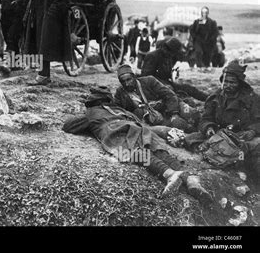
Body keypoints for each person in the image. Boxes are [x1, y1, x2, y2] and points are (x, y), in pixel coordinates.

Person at [63, 86, 211, 201]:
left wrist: (83, 116)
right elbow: (139, 122)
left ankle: (170, 175)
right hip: (141, 130)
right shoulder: (120, 109)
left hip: (117, 133)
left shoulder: (90, 113)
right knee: (159, 151)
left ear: (91, 102)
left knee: (134, 154)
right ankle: (190, 179)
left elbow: (68, 126)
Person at [184, 60, 260, 179]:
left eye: (232, 82)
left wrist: (252, 131)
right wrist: (209, 127)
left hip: (242, 137)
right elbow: (205, 118)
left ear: (239, 83)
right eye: (225, 81)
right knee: (191, 140)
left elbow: (258, 121)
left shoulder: (251, 99)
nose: (228, 85)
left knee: (252, 153)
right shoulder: (215, 98)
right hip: (220, 136)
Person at [23, 0, 71, 85]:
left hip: (51, 19)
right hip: (38, 16)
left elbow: (62, 0)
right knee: (39, 45)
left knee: (45, 46)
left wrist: (50, 14)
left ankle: (43, 76)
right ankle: (43, 75)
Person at [114, 65, 198, 132]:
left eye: (129, 79)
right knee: (181, 127)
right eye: (123, 82)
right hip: (154, 118)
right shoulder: (120, 93)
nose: (127, 84)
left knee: (192, 114)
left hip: (170, 106)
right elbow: (118, 109)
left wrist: (174, 114)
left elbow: (169, 95)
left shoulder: (149, 81)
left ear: (134, 77)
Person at [141, 37, 208, 102]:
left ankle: (208, 98)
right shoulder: (152, 56)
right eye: (172, 53)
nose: (172, 56)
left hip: (166, 84)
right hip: (154, 88)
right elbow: (146, 78)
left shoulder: (168, 56)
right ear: (165, 48)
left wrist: (174, 73)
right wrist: (164, 84)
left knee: (189, 88)